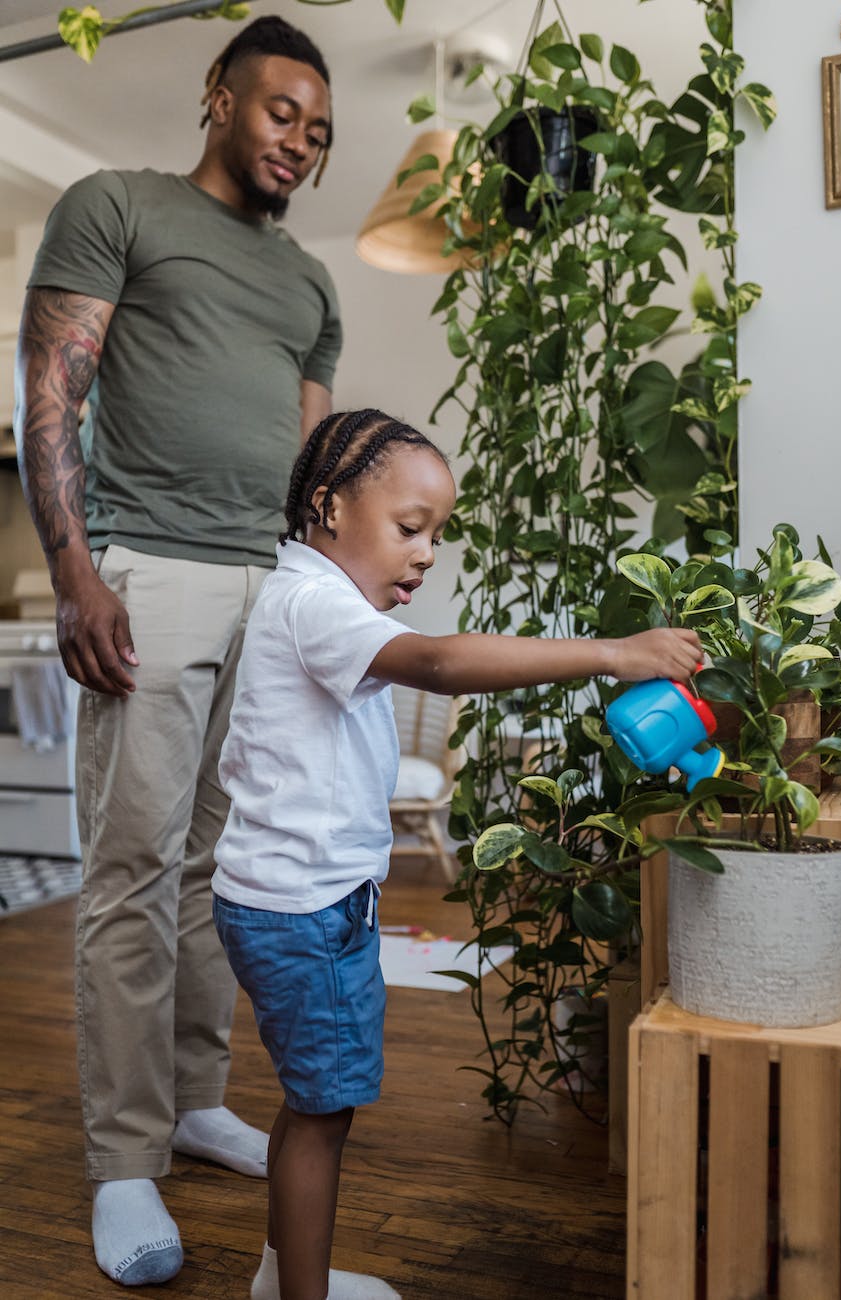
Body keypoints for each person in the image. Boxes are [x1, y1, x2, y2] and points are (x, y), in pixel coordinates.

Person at [211, 408, 704, 1300]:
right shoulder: (314, 603)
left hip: (295, 900)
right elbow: (439, 662)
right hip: (304, 912)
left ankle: (283, 1279)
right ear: (326, 507)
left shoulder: (311, 598)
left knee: (309, 1101)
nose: (426, 552)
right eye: (410, 528)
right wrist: (612, 654)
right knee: (324, 1113)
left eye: (435, 534)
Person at [13, 14, 342, 1288]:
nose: (299, 143)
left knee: (225, 862)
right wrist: (77, 571)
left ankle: (197, 1101)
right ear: (218, 96)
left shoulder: (311, 285)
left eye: (318, 132)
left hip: (274, 592)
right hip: (147, 570)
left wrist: (327, 605)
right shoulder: (119, 207)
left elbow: (313, 469)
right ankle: (123, 1160)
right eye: (280, 114)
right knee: (135, 864)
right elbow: (55, 389)